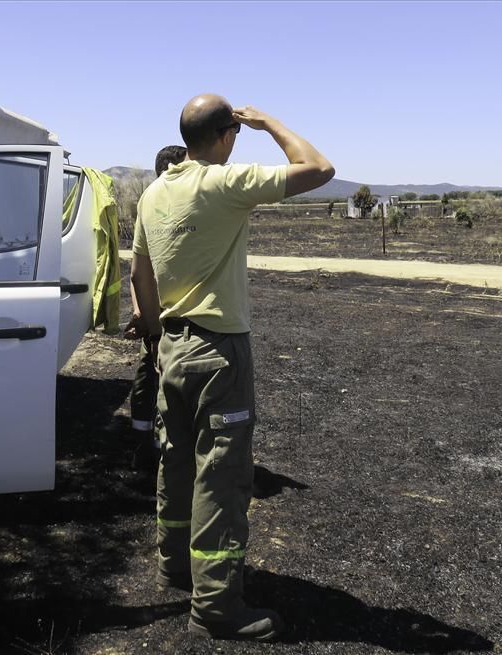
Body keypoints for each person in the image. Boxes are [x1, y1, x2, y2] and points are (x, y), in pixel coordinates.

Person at [131, 94, 334, 640]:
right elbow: (318, 167)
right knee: (221, 475)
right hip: (219, 351)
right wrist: (266, 121)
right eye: (235, 133)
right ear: (224, 135)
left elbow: (139, 278)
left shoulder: (153, 194)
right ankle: (218, 604)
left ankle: (175, 565)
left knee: (174, 461)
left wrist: (154, 334)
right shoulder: (223, 183)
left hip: (170, 347)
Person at [125, 145, 187, 470]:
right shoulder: (151, 206)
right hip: (156, 319)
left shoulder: (187, 208)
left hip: (179, 318)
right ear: (165, 170)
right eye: (182, 167)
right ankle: (143, 447)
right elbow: (138, 274)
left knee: (172, 382)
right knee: (148, 379)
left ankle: (171, 447)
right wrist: (144, 317)